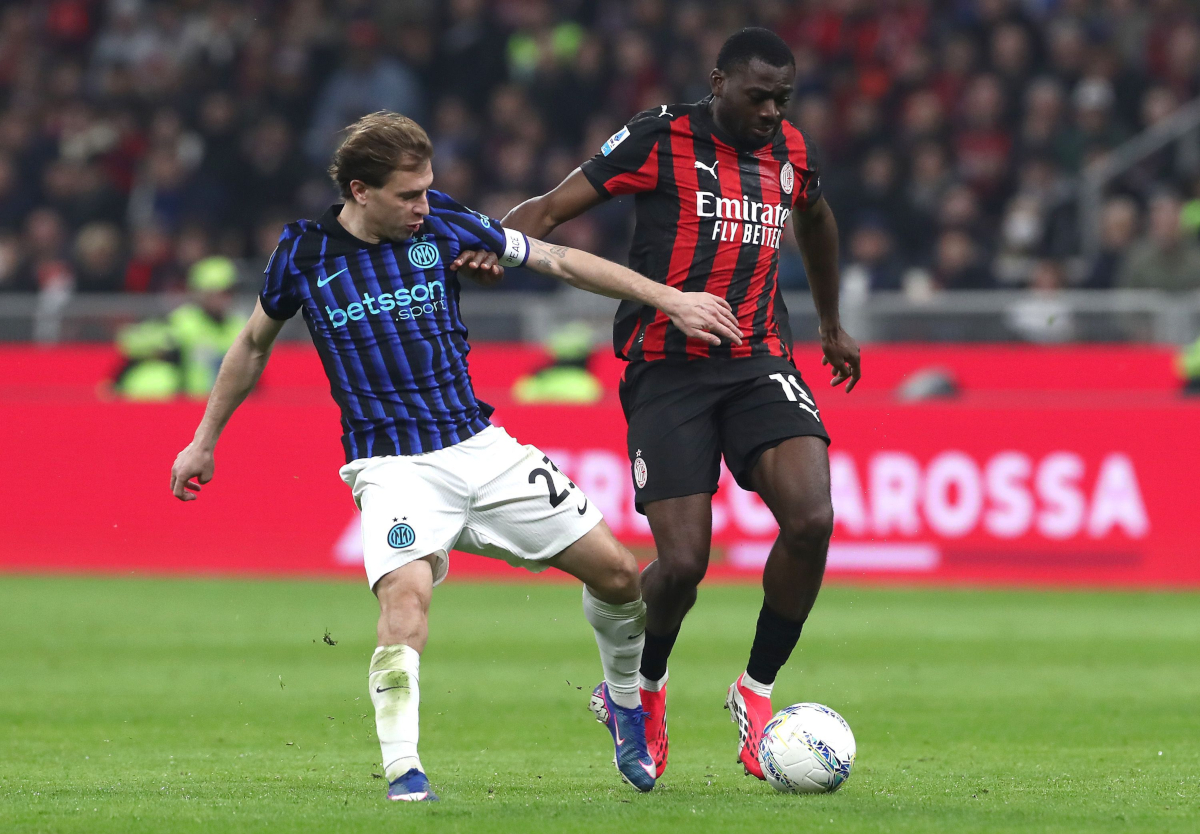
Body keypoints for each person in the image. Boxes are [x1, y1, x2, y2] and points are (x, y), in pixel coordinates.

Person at [168, 112, 741, 802]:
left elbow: (557, 259)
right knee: (404, 601)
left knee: (621, 576)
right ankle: (404, 772)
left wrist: (669, 298)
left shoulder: (442, 222)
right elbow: (253, 344)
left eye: (426, 189)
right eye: (408, 194)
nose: (422, 204)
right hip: (393, 467)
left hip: (480, 447)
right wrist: (204, 439)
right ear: (360, 191)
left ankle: (623, 707)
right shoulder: (304, 254)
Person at [455, 28, 862, 781]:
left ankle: (755, 691)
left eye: (783, 99)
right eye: (759, 96)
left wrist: (831, 326)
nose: (772, 112)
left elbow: (817, 219)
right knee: (681, 565)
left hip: (758, 360)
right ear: (719, 82)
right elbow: (551, 206)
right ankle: (640, 690)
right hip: (667, 371)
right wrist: (492, 246)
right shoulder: (660, 136)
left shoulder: (791, 152)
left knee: (812, 520)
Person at [167, 256, 247, 397]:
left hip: (229, 403)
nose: (223, 299)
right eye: (216, 293)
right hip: (191, 400)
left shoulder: (240, 325)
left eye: (228, 292)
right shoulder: (183, 321)